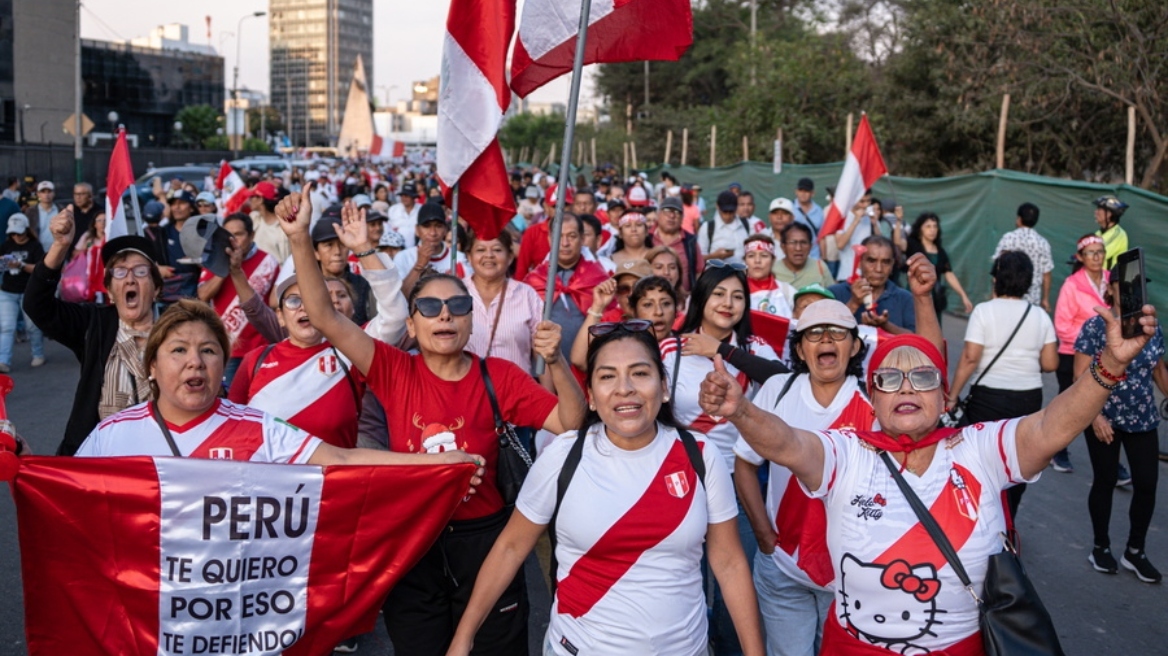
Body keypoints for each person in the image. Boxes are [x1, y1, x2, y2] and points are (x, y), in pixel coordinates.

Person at [700, 266, 1159, 654]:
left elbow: (1051, 427)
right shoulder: (846, 450)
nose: (904, 387)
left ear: (943, 397)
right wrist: (740, 409)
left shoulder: (980, 448)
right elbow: (786, 444)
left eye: (922, 377)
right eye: (889, 378)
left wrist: (1110, 367)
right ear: (872, 396)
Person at [276, 183, 586, 656]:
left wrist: (557, 363)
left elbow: (570, 422)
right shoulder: (392, 368)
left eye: (458, 306)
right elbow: (322, 314)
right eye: (429, 307)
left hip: (485, 543)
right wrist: (299, 238)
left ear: (470, 322)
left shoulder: (497, 375)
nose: (445, 315)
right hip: (414, 539)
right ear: (413, 325)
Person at [447, 321, 764, 656]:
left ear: (665, 387)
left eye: (640, 373)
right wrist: (463, 638)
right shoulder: (563, 454)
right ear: (592, 398)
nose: (624, 388)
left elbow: (729, 563)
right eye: (607, 376)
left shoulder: (700, 454)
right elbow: (510, 548)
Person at [74, 298, 484, 472]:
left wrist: (437, 463)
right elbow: (66, 496)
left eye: (209, 351)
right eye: (178, 351)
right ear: (152, 366)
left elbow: (341, 460)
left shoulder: (258, 427)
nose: (195, 362)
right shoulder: (112, 435)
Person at [735, 298, 877, 656]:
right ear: (799, 347)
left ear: (855, 345)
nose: (826, 339)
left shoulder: (875, 403)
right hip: (782, 565)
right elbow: (744, 463)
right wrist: (764, 535)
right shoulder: (777, 390)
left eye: (837, 332)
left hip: (852, 574)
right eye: (814, 333)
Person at [660, 260, 780, 655]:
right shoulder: (671, 348)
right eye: (719, 293)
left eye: (738, 295)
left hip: (737, 482)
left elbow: (782, 379)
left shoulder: (753, 349)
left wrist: (722, 350)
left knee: (737, 582)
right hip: (680, 479)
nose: (728, 303)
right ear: (700, 299)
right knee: (686, 581)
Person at [24, 207, 162, 454]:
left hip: (161, 462)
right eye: (119, 272)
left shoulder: (178, 330)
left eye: (141, 271)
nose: (130, 279)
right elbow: (37, 306)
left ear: (156, 289)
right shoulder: (94, 323)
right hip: (98, 460)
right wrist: (60, 246)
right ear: (109, 290)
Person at [948, 251, 1058, 518]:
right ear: (1029, 281)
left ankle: (980, 519)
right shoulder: (1040, 316)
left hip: (988, 399)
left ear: (996, 278)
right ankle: (1008, 522)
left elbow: (970, 358)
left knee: (982, 460)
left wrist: (952, 396)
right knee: (1017, 461)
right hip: (1027, 399)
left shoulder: (983, 311)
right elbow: (1051, 363)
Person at [1076, 302, 1166, 584]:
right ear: (1112, 288)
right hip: (1105, 418)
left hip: (1142, 417)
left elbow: (1159, 370)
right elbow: (1079, 374)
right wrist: (1094, 415)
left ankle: (1135, 551)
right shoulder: (1094, 327)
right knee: (1106, 479)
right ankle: (1100, 546)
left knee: (1147, 484)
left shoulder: (1151, 327)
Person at [196, 213, 280, 389]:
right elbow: (203, 295)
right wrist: (225, 269)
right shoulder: (215, 260)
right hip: (229, 349)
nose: (233, 240)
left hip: (262, 348)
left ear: (251, 235)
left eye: (239, 234)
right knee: (233, 401)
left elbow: (276, 304)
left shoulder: (268, 262)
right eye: (229, 235)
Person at [1051, 235, 1111, 474]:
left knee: (1103, 405)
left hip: (1106, 356)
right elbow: (1062, 326)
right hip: (1072, 355)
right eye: (1090, 252)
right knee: (1069, 406)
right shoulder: (1072, 285)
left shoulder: (1110, 281)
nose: (1096, 257)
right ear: (1080, 257)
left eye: (1100, 252)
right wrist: (1093, 339)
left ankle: (1110, 462)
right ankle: (1057, 450)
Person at [525, 213, 610, 364]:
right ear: (550, 239)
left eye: (572, 236)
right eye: (559, 236)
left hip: (590, 366)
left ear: (582, 239)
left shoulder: (599, 279)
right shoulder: (533, 281)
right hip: (543, 369)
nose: (565, 243)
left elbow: (610, 321)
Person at [464, 228, 545, 373]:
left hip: (518, 391)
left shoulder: (527, 296)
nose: (489, 255)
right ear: (469, 257)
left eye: (497, 250)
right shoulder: (455, 293)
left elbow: (542, 354)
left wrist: (547, 395)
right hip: (467, 392)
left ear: (510, 257)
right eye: (481, 250)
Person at [830, 235, 917, 334]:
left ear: (892, 265)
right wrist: (853, 304)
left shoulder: (905, 298)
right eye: (871, 261)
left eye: (886, 262)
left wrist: (886, 325)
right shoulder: (834, 293)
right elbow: (826, 334)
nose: (878, 269)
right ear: (859, 262)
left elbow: (915, 340)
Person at [904, 212, 973, 323]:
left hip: (934, 298)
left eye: (935, 226)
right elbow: (898, 243)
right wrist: (898, 221)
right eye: (928, 226)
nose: (932, 230)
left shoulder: (940, 251)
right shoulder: (912, 245)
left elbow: (949, 274)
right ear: (920, 229)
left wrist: (963, 295)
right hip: (914, 294)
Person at [0, 213, 46, 371]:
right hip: (7, 291)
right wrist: (3, 264)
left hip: (29, 291)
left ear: (26, 230)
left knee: (32, 326)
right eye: (12, 233)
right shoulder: (6, 245)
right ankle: (3, 360)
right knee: (7, 327)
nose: (16, 236)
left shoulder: (35, 246)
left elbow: (40, 268)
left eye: (19, 232)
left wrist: (20, 265)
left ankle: (38, 353)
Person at [394, 201, 469, 293]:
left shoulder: (459, 258)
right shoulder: (403, 257)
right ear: (417, 230)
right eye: (426, 226)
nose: (433, 232)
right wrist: (419, 266)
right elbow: (399, 298)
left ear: (445, 229)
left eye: (438, 226)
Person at [992, 202, 1053, 310]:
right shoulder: (1043, 243)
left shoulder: (1008, 238)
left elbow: (998, 268)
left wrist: (995, 293)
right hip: (1032, 299)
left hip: (1007, 296)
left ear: (1019, 219)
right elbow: (1046, 274)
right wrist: (1045, 298)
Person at [653, 196, 702, 292]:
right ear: (658, 214)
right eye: (667, 210)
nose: (672, 216)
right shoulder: (648, 237)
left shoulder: (690, 241)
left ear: (682, 218)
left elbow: (699, 272)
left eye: (677, 212)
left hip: (683, 301)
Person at [744, 233, 796, 318]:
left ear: (773, 260)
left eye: (764, 256)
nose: (757, 261)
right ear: (745, 261)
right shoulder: (737, 292)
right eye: (751, 256)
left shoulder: (787, 292)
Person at [773, 222, 835, 290]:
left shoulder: (820, 267)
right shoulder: (773, 271)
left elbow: (832, 295)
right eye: (793, 242)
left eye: (803, 243)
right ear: (783, 247)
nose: (798, 248)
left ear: (810, 247)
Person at [700, 191, 754, 265]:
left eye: (731, 212)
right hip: (716, 274)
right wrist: (714, 256)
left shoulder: (747, 224)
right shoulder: (707, 228)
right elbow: (699, 259)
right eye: (724, 212)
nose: (728, 215)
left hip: (742, 273)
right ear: (717, 206)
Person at [248, 181, 292, 264]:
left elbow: (286, 263)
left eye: (252, 197)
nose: (249, 200)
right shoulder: (254, 218)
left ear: (260, 199)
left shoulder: (283, 230)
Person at [1093, 195, 1129, 270]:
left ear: (1109, 214)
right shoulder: (1098, 233)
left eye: (1099, 209)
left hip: (1108, 280)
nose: (1095, 212)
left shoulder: (1118, 234)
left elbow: (1097, 254)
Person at [793, 178, 825, 261]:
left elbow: (821, 236)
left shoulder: (819, 211)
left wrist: (823, 257)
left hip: (814, 255)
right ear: (796, 192)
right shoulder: (789, 208)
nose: (803, 194)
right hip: (793, 254)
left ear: (812, 193)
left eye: (806, 191)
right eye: (800, 190)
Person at [388, 181, 420, 247]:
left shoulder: (421, 209)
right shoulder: (393, 210)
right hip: (396, 248)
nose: (404, 198)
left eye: (407, 196)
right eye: (402, 195)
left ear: (413, 197)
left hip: (416, 248)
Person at [28, 181, 58, 251]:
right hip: (38, 252)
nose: (46, 195)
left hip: (58, 252)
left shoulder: (61, 210)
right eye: (43, 192)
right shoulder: (30, 212)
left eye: (49, 192)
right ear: (38, 194)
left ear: (54, 193)